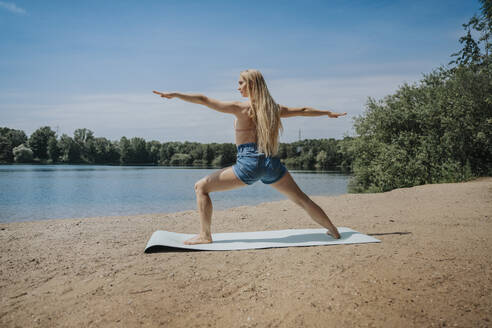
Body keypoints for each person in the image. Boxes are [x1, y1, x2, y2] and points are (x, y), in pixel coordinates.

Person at [152, 69, 347, 245]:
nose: (238, 87)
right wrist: (327, 113)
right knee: (302, 199)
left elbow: (204, 99)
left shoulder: (241, 108)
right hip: (271, 163)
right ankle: (334, 231)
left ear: (251, 85)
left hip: (249, 163)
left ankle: (205, 235)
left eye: (240, 83)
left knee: (201, 187)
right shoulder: (274, 109)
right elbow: (304, 110)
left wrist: (176, 94)